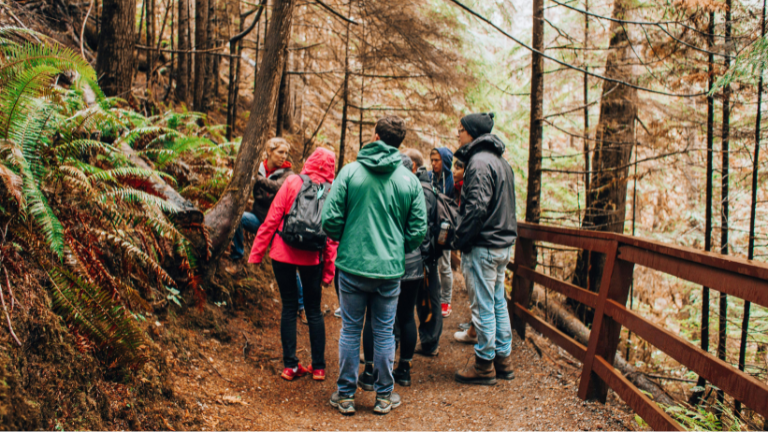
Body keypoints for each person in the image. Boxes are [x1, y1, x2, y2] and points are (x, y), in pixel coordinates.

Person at [322, 116, 427, 415]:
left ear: (375, 135)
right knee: (383, 332)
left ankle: (345, 396)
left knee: (350, 331)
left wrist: (349, 239)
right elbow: (418, 230)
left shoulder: (350, 172)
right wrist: (396, 248)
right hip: (390, 271)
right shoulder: (409, 180)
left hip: (352, 267)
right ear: (398, 143)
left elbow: (329, 220)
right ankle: (383, 396)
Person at [248, 147, 338, 382]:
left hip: (283, 253)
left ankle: (290, 366)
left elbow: (271, 220)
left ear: (309, 162)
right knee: (314, 311)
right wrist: (329, 272)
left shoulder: (292, 182)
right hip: (313, 258)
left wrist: (256, 254)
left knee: (289, 307)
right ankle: (318, 368)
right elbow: (331, 238)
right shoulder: (332, 191)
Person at [359, 153, 438, 389]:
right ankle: (404, 369)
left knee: (374, 317)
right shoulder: (416, 192)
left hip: (384, 262)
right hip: (411, 262)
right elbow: (421, 229)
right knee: (406, 316)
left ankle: (371, 370)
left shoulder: (381, 190)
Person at [450, 112, 517, 386]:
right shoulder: (503, 164)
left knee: (484, 305)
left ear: (472, 133)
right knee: (498, 302)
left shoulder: (477, 163)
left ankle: (484, 364)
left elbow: (476, 208)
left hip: (484, 246)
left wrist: (461, 239)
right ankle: (504, 359)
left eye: (461, 129)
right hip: (502, 245)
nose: (458, 133)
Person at [231, 137, 307, 322]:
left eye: (286, 153)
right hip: (258, 219)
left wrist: (256, 179)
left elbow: (276, 187)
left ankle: (301, 306)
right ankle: (237, 258)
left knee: (289, 267)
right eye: (280, 152)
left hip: (278, 228)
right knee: (237, 219)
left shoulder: (288, 175)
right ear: (269, 151)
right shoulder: (260, 168)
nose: (284, 156)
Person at [429, 147, 455, 318]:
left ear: (444, 161)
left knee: (445, 264)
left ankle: (446, 300)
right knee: (433, 262)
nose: (433, 163)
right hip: (432, 225)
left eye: (437, 160)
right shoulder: (430, 177)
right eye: (432, 159)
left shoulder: (452, 179)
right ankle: (436, 299)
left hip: (445, 226)